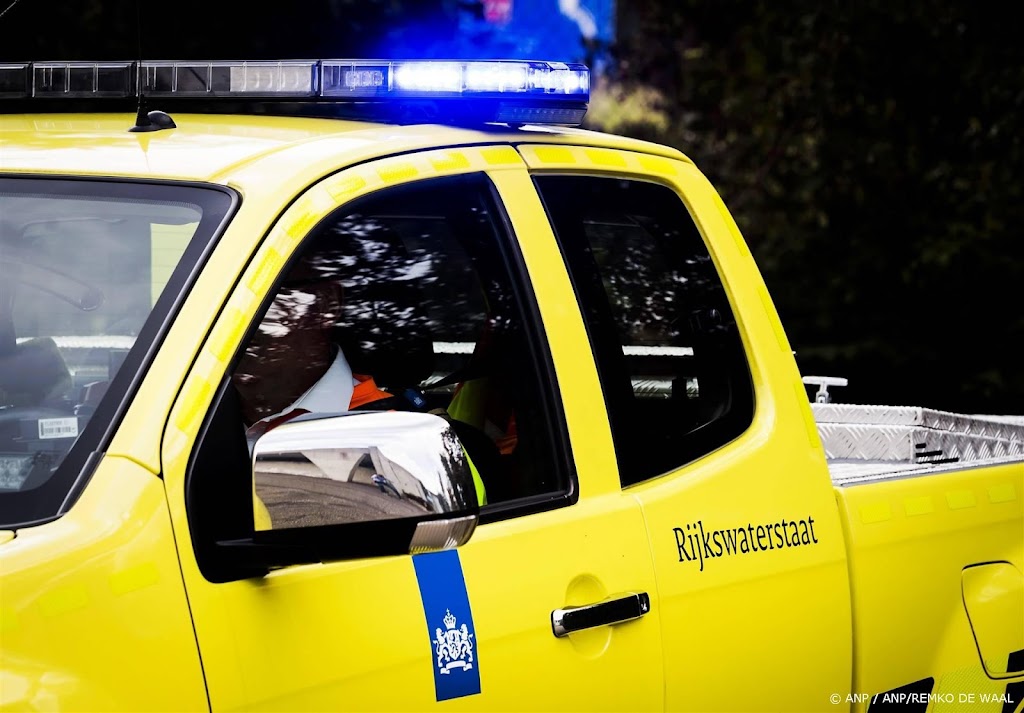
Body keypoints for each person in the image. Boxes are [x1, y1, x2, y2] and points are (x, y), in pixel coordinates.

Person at [232, 251, 487, 506]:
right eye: (221, 298)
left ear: (327, 304)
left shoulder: (414, 440)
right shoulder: (194, 413)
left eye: (263, 293)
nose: (234, 316)